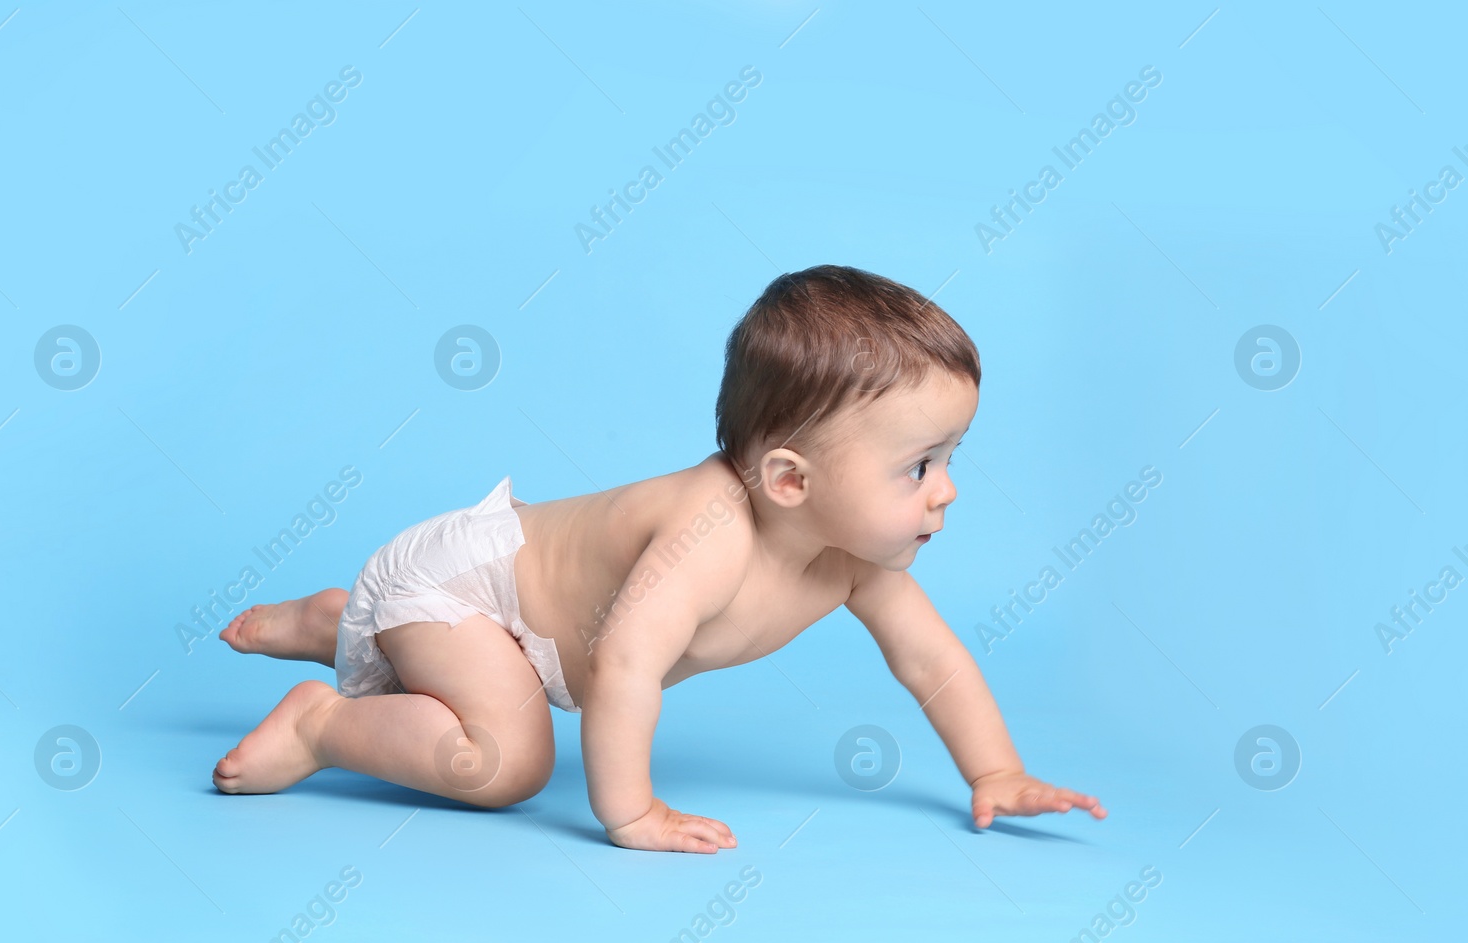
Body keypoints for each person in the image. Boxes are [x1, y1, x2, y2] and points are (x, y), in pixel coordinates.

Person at [212, 264, 1107, 852]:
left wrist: (997, 771)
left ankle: (343, 619)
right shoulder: (707, 539)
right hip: (469, 592)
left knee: (443, 655)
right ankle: (318, 724)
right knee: (506, 763)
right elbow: (625, 664)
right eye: (919, 467)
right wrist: (630, 809)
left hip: (508, 628)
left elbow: (935, 662)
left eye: (949, 460)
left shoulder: (853, 556)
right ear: (790, 480)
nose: (945, 491)